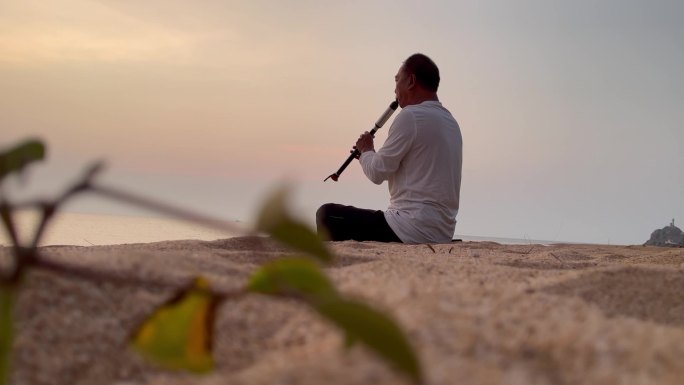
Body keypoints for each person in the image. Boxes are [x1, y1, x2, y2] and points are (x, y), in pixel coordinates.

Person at [316, 53, 462, 244]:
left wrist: (367, 149)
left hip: (411, 227)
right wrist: (368, 155)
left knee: (327, 214)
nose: (395, 90)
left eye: (397, 80)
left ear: (410, 81)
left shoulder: (411, 116)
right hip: (442, 232)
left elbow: (377, 173)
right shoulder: (451, 122)